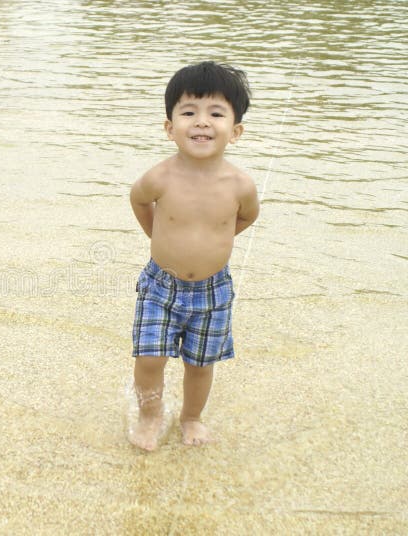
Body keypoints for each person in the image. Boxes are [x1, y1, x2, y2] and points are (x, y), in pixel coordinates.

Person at [128, 61, 259, 450]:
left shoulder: (240, 184)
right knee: (149, 358)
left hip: (212, 290)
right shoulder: (160, 177)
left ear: (235, 131)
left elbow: (247, 217)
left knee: (200, 364)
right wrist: (157, 234)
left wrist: (217, 242)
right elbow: (138, 199)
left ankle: (191, 417)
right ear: (170, 128)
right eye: (188, 112)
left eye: (216, 113)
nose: (201, 122)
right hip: (161, 285)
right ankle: (150, 417)